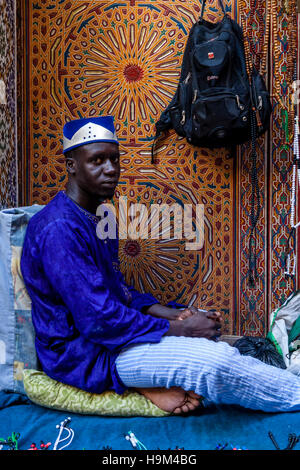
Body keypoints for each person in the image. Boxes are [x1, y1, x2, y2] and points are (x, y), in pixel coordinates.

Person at [21, 116, 300, 415]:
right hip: (84, 354)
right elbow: (98, 319)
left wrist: (175, 315)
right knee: (214, 364)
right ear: (72, 165)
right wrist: (180, 331)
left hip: (113, 340)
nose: (111, 169)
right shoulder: (59, 228)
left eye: (114, 159)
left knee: (215, 346)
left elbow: (118, 293)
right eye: (97, 161)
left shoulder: (102, 217)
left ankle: (153, 385)